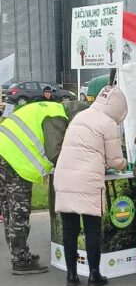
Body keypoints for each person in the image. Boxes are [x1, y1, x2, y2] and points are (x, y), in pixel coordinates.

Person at [0, 100, 88, 274]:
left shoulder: (49, 108)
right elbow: (55, 153)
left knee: (9, 211)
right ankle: (21, 261)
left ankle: (19, 254)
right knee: (19, 213)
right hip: (14, 163)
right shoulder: (57, 117)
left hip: (5, 154)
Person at [54, 86, 128, 286]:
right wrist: (123, 164)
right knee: (92, 230)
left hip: (64, 176)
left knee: (70, 229)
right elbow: (115, 160)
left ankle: (71, 276)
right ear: (118, 108)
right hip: (87, 181)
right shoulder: (108, 123)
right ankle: (94, 276)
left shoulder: (80, 116)